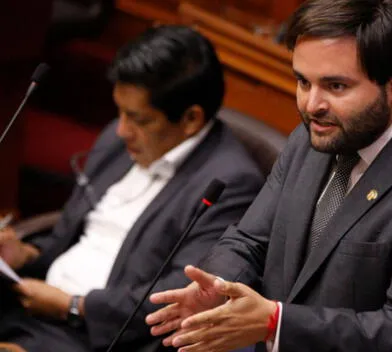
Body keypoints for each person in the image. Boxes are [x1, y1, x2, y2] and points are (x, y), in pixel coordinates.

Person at [146, 1, 392, 351]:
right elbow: (251, 240)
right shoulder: (315, 135)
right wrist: (219, 286)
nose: (311, 104)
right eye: (303, 82)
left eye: (335, 86)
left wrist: (276, 323)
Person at [0, 25, 264, 351]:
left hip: (93, 335)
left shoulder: (230, 184)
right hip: (32, 300)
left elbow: (180, 295)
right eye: (120, 111)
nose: (122, 130)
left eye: (139, 119)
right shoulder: (120, 139)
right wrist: (26, 255)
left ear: (191, 119)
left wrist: (73, 305)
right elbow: (72, 236)